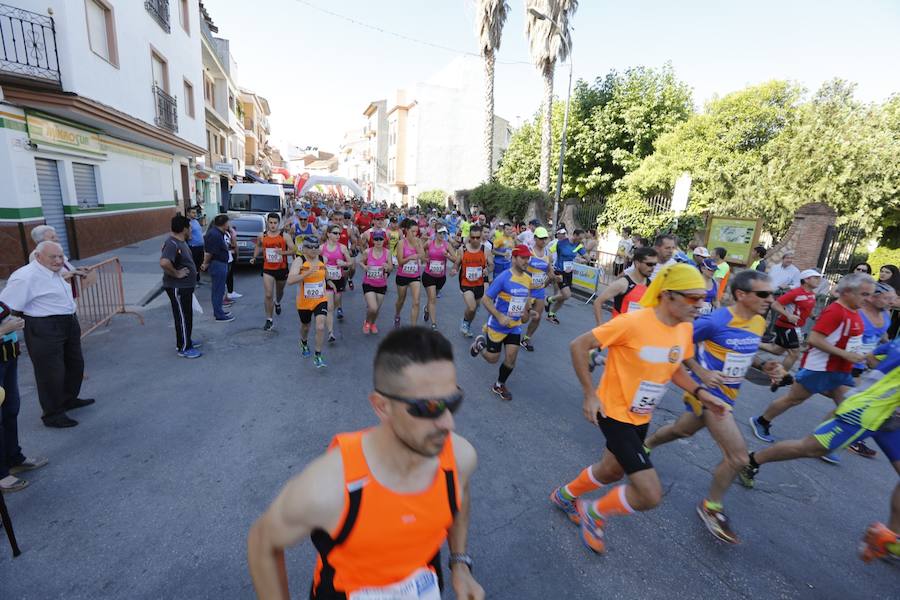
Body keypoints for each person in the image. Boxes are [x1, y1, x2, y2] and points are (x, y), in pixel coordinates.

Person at [247, 327, 483, 600]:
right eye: (429, 408)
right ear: (381, 406)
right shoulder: (329, 486)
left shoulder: (460, 458)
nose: (448, 423)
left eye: (452, 402)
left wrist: (459, 563)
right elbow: (262, 542)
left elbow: (459, 495)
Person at [549, 264, 728, 554]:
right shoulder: (632, 323)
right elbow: (578, 346)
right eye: (694, 298)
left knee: (610, 471)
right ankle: (593, 513)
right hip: (614, 412)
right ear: (668, 296)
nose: (701, 305)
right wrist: (589, 394)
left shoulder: (684, 328)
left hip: (642, 415)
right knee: (650, 493)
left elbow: (673, 368)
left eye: (703, 298)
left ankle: (565, 496)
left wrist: (701, 392)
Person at [642, 270, 785, 544]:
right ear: (742, 295)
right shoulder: (716, 320)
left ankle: (647, 444)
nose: (771, 299)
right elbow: (678, 342)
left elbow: (745, 351)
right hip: (708, 395)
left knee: (682, 430)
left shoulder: (757, 322)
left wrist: (763, 365)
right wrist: (699, 371)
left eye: (772, 294)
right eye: (764, 294)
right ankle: (711, 507)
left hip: (729, 395)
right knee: (739, 458)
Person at [737, 342, 900, 563]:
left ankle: (890, 538)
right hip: (866, 413)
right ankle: (753, 460)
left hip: (889, 417)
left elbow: (876, 357)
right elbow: (876, 364)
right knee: (810, 448)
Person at [749, 272, 875, 462]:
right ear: (848, 291)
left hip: (841, 370)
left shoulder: (855, 311)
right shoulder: (835, 311)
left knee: (847, 408)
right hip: (820, 368)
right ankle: (761, 421)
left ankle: (823, 443)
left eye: (870, 295)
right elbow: (814, 339)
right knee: (793, 399)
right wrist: (845, 354)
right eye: (865, 294)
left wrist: (862, 355)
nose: (868, 299)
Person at [0, 241, 94, 428]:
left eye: (61, 256)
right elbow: (7, 306)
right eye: (54, 257)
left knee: (75, 365)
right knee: (50, 373)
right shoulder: (25, 276)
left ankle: (68, 399)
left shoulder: (53, 270)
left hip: (68, 321)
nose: (59, 261)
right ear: (38, 256)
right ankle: (52, 414)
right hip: (44, 326)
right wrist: (7, 327)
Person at [469, 245, 534, 401]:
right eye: (523, 258)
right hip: (497, 325)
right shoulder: (504, 277)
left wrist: (528, 313)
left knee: (511, 359)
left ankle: (499, 384)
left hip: (514, 327)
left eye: (528, 258)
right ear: (514, 258)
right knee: (492, 359)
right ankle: (480, 345)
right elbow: (486, 299)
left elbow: (525, 304)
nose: (526, 261)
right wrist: (498, 316)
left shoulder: (528, 279)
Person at [0, 302, 48, 492]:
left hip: (7, 357)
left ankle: (14, 458)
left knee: (11, 409)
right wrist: (5, 328)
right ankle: (2, 475)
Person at [846, 282, 895, 458]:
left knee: (850, 401)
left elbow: (883, 337)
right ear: (873, 297)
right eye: (888, 298)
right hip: (845, 362)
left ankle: (833, 437)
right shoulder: (858, 312)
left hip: (860, 365)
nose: (892, 302)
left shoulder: (886, 315)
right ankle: (831, 439)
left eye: (893, 298)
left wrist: (887, 351)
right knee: (852, 402)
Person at [758, 269, 822, 387]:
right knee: (794, 353)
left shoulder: (812, 294)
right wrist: (788, 315)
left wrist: (813, 317)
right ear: (806, 280)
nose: (819, 280)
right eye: (816, 277)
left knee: (777, 350)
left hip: (796, 327)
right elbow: (775, 304)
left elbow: (806, 309)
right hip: (786, 325)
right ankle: (781, 377)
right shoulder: (795, 293)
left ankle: (754, 342)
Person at [159, 215, 200, 358]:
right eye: (189, 227)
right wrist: (176, 274)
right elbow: (164, 262)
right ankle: (184, 347)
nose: (191, 230)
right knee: (182, 316)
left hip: (185, 287)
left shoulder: (179, 242)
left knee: (186, 315)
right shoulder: (172, 243)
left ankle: (186, 340)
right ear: (184, 229)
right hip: (178, 287)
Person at [287, 237, 330, 368]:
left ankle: (318, 355)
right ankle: (304, 342)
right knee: (305, 326)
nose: (313, 249)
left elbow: (325, 275)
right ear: (304, 248)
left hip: (321, 299)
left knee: (320, 327)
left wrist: (331, 281)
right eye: (310, 247)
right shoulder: (299, 261)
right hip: (304, 302)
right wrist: (307, 273)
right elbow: (290, 280)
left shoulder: (323, 259)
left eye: (316, 247)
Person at [592, 247, 658, 326]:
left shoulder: (651, 286)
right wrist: (600, 326)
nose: (652, 268)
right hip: (618, 334)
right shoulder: (622, 284)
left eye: (655, 264)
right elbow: (598, 302)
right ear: (637, 263)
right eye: (649, 264)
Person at [250, 213, 293, 332]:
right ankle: (269, 319)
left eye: (275, 223)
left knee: (279, 292)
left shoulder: (285, 236)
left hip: (281, 268)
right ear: (267, 223)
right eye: (270, 223)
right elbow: (258, 246)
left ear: (279, 223)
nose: (273, 225)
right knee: (268, 294)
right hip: (267, 268)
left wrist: (282, 253)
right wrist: (254, 257)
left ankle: (278, 302)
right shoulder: (262, 236)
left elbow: (293, 250)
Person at [520, 227, 554, 351]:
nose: (543, 241)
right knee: (524, 319)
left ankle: (526, 339)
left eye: (545, 238)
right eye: (541, 238)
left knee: (537, 317)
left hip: (539, 290)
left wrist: (552, 277)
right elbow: (520, 267)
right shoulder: (529, 252)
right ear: (535, 238)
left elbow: (550, 271)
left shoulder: (548, 254)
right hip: (526, 289)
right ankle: (508, 331)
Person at [545, 229, 587, 324]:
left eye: (582, 239)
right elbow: (550, 252)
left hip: (569, 272)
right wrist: (550, 263)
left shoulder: (579, 245)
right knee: (567, 295)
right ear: (574, 235)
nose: (580, 240)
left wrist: (585, 258)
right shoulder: (561, 243)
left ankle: (551, 314)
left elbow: (587, 257)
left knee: (563, 297)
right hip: (559, 271)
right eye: (579, 238)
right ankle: (549, 299)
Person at [457, 225, 491, 338]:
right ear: (469, 237)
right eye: (473, 237)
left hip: (479, 284)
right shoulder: (463, 249)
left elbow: (492, 265)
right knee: (471, 307)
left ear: (481, 237)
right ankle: (466, 323)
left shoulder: (485, 250)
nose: (475, 240)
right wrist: (453, 270)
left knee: (474, 309)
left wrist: (488, 270)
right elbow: (457, 264)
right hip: (465, 283)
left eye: (478, 237)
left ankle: (466, 322)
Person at [321, 225, 353, 344]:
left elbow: (350, 263)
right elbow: (313, 262)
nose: (338, 236)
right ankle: (330, 332)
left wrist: (343, 263)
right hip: (327, 280)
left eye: (339, 233)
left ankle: (336, 310)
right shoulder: (321, 248)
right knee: (329, 307)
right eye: (335, 233)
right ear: (328, 234)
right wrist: (322, 264)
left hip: (339, 279)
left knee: (336, 302)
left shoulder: (343, 248)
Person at [393, 219, 426, 328]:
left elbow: (422, 256)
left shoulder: (418, 241)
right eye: (412, 231)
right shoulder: (401, 243)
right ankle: (397, 314)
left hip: (414, 275)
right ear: (406, 230)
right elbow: (400, 262)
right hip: (402, 275)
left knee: (416, 301)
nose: (414, 234)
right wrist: (411, 257)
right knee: (401, 300)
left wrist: (417, 247)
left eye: (416, 232)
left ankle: (413, 328)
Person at [422, 226, 456, 331]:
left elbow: (455, 259)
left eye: (444, 233)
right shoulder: (429, 243)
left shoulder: (447, 245)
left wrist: (448, 256)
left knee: (432, 298)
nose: (442, 235)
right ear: (436, 233)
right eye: (440, 233)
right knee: (432, 298)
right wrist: (425, 258)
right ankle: (433, 324)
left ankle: (427, 309)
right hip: (428, 275)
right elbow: (422, 251)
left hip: (441, 277)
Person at [360, 230, 393, 334]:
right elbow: (360, 261)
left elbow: (391, 268)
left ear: (384, 240)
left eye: (380, 239)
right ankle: (366, 322)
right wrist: (365, 267)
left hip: (381, 284)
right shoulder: (367, 252)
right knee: (373, 308)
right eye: (376, 239)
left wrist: (387, 267)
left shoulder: (387, 253)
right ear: (373, 240)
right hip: (368, 283)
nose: (378, 241)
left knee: (377, 309)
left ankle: (372, 323)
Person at [187, 206, 205, 284]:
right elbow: (188, 236)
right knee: (194, 264)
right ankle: (193, 281)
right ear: (188, 213)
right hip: (193, 247)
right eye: (193, 213)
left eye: (195, 212)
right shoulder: (187, 223)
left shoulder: (196, 221)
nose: (195, 214)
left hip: (200, 246)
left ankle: (198, 279)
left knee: (199, 263)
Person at [224, 221, 242, 302]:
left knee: (229, 276)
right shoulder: (222, 234)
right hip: (226, 258)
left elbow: (232, 244)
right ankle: (225, 296)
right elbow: (233, 244)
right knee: (226, 277)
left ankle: (230, 293)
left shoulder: (228, 232)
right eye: (227, 223)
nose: (228, 225)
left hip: (229, 257)